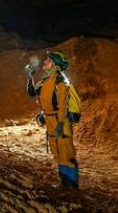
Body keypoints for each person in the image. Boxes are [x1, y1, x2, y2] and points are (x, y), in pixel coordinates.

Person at [26, 50, 81, 188]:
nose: (45, 62)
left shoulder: (61, 82)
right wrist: (29, 76)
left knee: (66, 151)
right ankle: (64, 182)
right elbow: (32, 92)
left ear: (56, 65)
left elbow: (63, 104)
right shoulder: (46, 80)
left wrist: (61, 123)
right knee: (57, 150)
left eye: (49, 60)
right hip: (51, 120)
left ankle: (72, 185)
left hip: (60, 120)